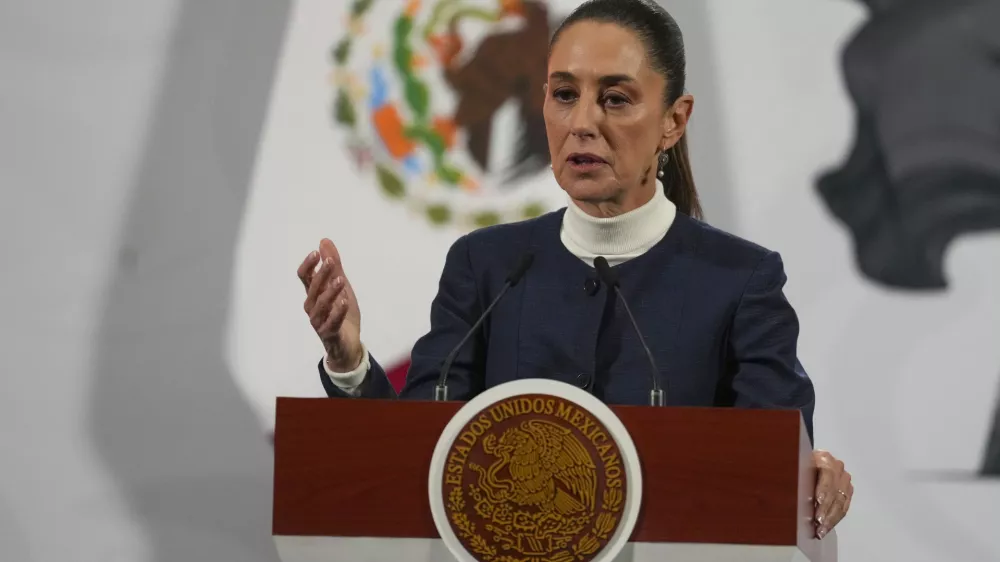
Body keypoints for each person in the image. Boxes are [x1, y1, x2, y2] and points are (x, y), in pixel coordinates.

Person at [297, 0, 853, 538]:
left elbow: (770, 468)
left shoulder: (739, 280)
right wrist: (349, 364)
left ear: (674, 120)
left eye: (615, 99)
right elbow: (417, 459)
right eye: (564, 94)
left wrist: (804, 470)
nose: (582, 122)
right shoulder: (486, 266)